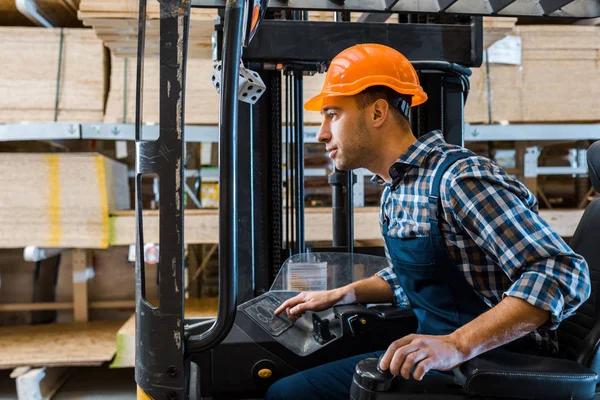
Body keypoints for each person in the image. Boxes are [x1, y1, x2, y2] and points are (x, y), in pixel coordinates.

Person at [264, 43, 591, 400]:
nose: (321, 133)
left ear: (377, 113)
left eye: (332, 114)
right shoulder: (397, 188)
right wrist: (344, 293)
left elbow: (561, 271)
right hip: (443, 358)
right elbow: (426, 274)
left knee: (287, 395)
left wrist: (456, 344)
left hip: (489, 366)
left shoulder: (460, 179)